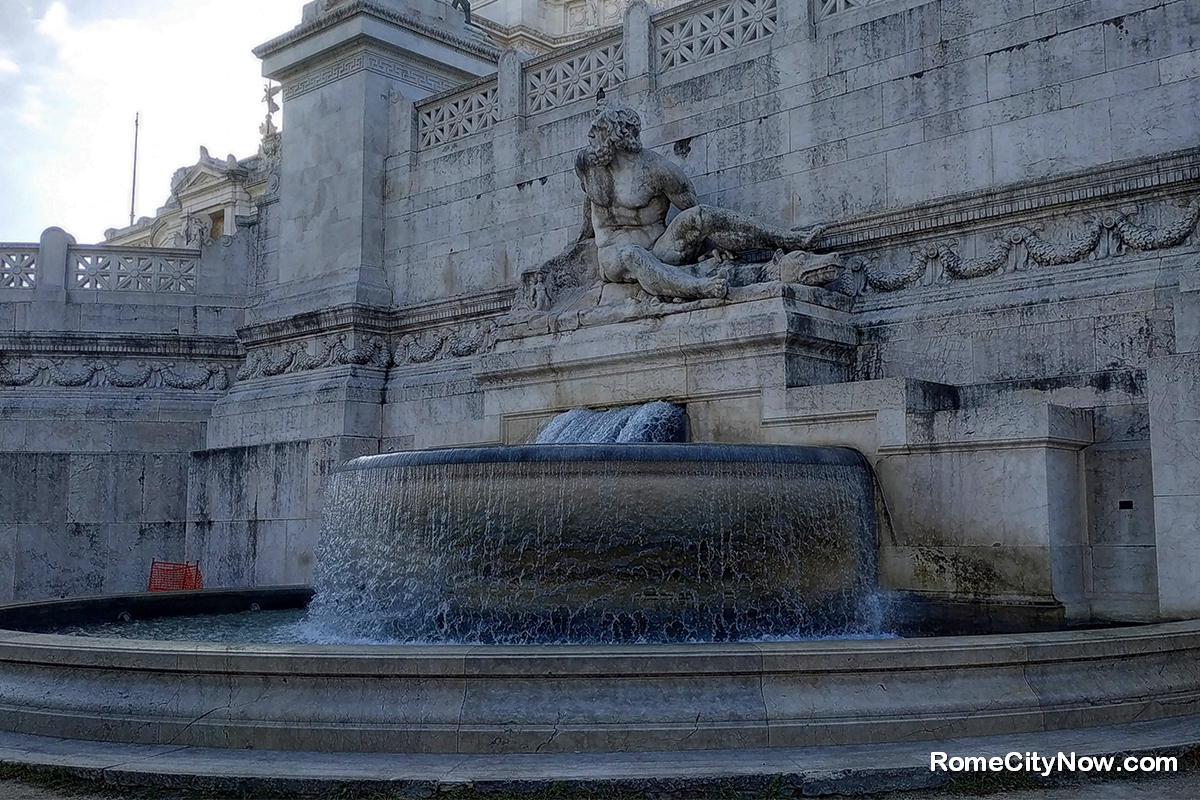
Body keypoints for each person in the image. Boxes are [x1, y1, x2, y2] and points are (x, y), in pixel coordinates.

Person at [574, 100, 823, 300]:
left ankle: (787, 239)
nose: (590, 136)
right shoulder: (586, 164)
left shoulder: (658, 171)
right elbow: (591, 204)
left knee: (703, 215)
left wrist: (711, 247)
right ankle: (698, 288)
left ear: (617, 135)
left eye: (597, 132)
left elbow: (691, 212)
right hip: (614, 256)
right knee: (633, 254)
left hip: (661, 250)